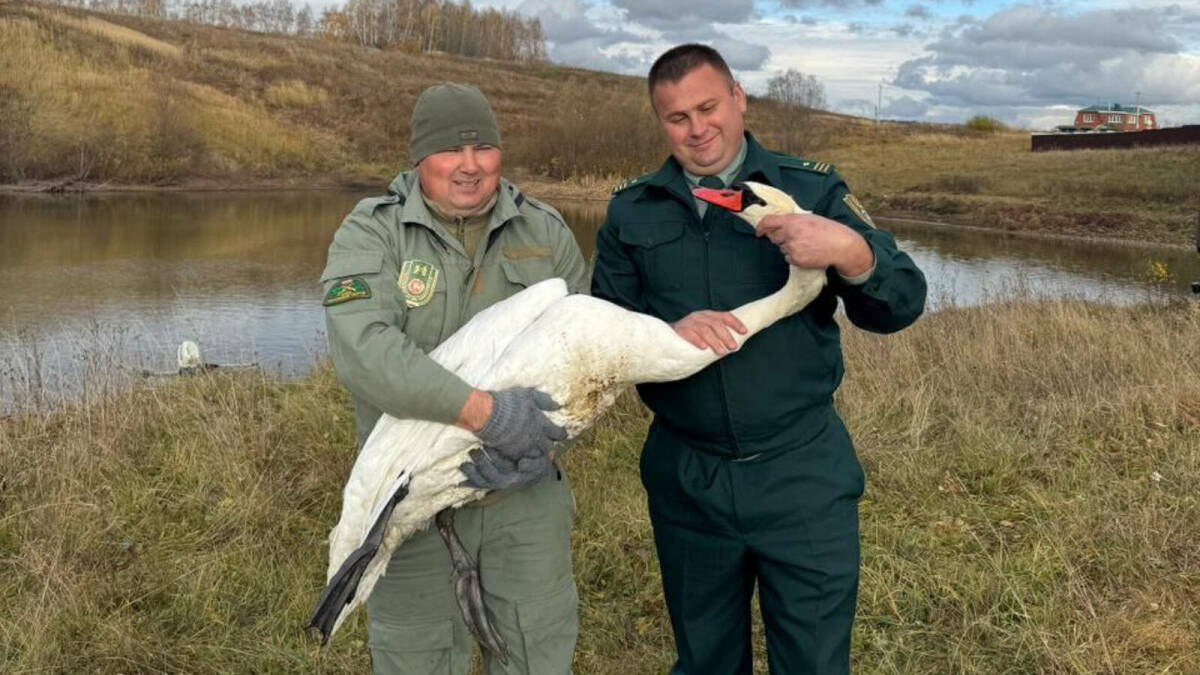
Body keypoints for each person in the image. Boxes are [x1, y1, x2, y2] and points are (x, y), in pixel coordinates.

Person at [591, 45, 927, 674]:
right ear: (660, 122)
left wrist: (852, 252)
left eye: (709, 107)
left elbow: (901, 305)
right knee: (706, 662)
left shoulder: (811, 189)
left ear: (739, 98)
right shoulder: (631, 210)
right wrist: (664, 333)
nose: (698, 129)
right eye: (677, 117)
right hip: (687, 477)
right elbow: (603, 335)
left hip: (801, 473)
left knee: (814, 663)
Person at [321, 83, 587, 674]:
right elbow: (366, 353)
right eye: (450, 150)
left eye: (483, 148)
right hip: (410, 497)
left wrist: (541, 449)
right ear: (420, 157)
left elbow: (583, 356)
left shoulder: (545, 232)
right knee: (419, 656)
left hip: (522, 495)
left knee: (537, 652)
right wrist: (488, 416)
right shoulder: (373, 232)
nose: (470, 165)